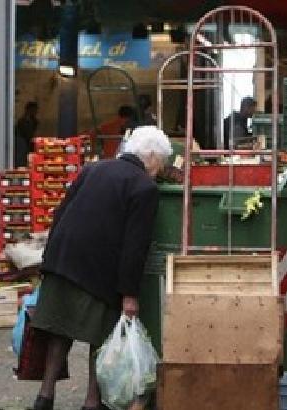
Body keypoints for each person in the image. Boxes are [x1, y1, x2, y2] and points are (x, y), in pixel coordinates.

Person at [29, 126, 173, 410]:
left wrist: (48, 261)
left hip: (63, 258)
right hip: (98, 269)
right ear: (153, 156)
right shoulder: (144, 188)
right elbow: (135, 246)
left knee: (60, 330)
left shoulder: (93, 169)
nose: (163, 168)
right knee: (102, 337)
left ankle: (45, 397)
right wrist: (129, 295)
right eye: (163, 161)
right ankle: (91, 403)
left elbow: (60, 212)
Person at [14, 101, 39, 167]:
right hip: (21, 144)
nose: (35, 112)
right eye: (34, 110)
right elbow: (27, 134)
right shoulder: (22, 121)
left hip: (27, 145)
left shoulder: (34, 121)